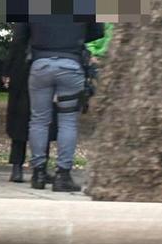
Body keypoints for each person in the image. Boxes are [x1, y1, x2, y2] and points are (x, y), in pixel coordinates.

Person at [19, 17, 106, 192]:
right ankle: (63, 175)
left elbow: (22, 33)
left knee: (38, 120)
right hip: (71, 64)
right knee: (68, 120)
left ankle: (39, 173)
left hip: (40, 64)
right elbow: (98, 31)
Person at [2, 25, 55, 184]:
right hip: (46, 63)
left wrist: (7, 69)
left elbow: (17, 41)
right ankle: (40, 168)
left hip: (22, 66)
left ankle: (17, 167)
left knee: (20, 117)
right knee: (43, 117)